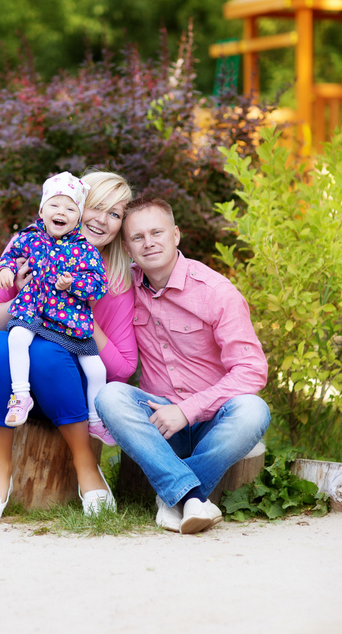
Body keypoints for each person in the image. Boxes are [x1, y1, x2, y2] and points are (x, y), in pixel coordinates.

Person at [95, 197, 271, 535]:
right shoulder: (122, 287)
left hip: (213, 420)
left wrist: (188, 410)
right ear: (127, 248)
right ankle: (191, 497)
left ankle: (174, 495)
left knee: (253, 411)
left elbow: (251, 369)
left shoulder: (216, 292)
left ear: (175, 235)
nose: (148, 243)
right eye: (137, 237)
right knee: (110, 396)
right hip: (159, 422)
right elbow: (76, 270)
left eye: (157, 232)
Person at [0, 170, 138, 523]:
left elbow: (123, 368)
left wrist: (79, 313)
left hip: (73, 389)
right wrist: (25, 293)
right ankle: (0, 474)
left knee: (48, 351)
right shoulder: (28, 245)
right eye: (96, 206)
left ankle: (86, 466)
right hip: (18, 391)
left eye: (114, 214)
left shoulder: (116, 280)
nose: (101, 220)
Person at [0, 171, 113, 444]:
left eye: (70, 209)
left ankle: (96, 421)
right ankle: (21, 396)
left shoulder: (85, 249)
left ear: (78, 218)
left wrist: (73, 284)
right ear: (41, 210)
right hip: (34, 309)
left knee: (97, 370)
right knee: (17, 336)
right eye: (54, 205)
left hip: (71, 318)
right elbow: (7, 258)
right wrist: (6, 270)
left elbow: (98, 285)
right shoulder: (29, 238)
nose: (61, 212)